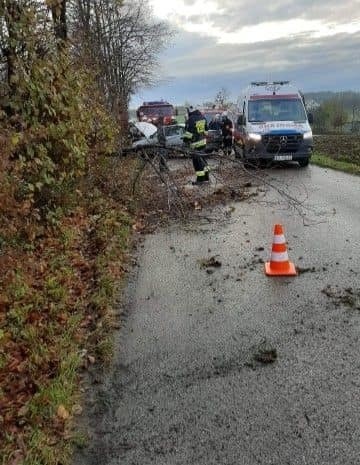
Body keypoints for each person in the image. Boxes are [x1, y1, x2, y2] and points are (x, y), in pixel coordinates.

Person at [183, 106, 210, 183]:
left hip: (195, 144)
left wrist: (185, 140)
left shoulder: (191, 119)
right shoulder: (203, 117)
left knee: (197, 162)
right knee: (203, 159)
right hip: (203, 142)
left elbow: (188, 133)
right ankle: (207, 177)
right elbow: (206, 131)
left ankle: (200, 179)